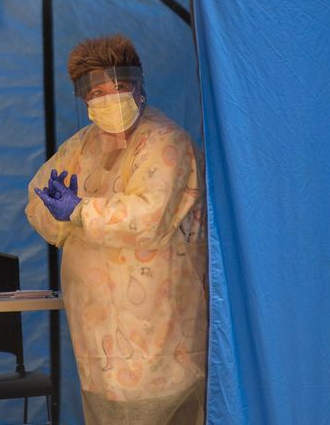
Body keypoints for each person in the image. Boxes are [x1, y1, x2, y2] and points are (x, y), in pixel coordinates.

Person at [25, 34, 207, 424]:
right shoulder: (81, 146)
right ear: (84, 99)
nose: (110, 98)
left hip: (157, 327)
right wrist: (59, 213)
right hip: (96, 328)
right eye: (99, 91)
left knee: (158, 411)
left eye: (120, 87)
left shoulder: (165, 142)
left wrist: (79, 211)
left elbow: (149, 217)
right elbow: (37, 201)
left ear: (139, 86)